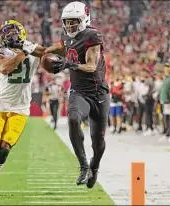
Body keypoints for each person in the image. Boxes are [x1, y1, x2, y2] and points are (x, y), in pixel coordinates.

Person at [29, 1, 109, 189]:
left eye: (74, 21)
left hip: (98, 93)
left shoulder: (92, 35)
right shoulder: (66, 36)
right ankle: (83, 166)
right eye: (67, 22)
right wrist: (29, 47)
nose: (70, 25)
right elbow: (51, 48)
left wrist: (68, 64)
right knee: (73, 119)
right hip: (79, 91)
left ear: (84, 19)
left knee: (98, 142)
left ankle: (94, 167)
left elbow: (91, 66)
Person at [0, 20, 41, 195]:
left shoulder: (31, 48)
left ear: (21, 33)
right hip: (2, 106)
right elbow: (4, 67)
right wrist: (23, 53)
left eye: (12, 32)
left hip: (21, 108)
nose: (9, 36)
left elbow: (48, 53)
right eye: (6, 33)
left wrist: (37, 50)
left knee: (5, 149)